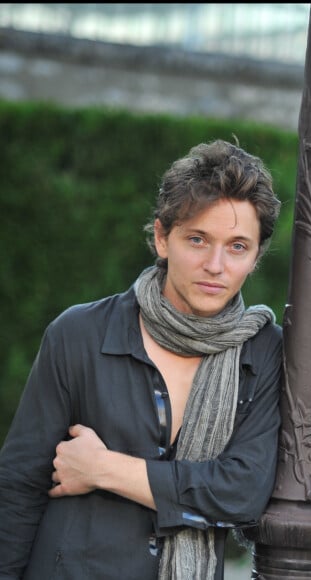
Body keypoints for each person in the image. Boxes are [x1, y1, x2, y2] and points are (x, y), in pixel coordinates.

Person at [0, 139, 283, 580]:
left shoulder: (264, 351)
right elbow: (18, 487)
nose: (215, 264)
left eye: (237, 247)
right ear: (161, 237)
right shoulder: (79, 334)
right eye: (197, 239)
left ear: (255, 257)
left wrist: (102, 468)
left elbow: (243, 492)